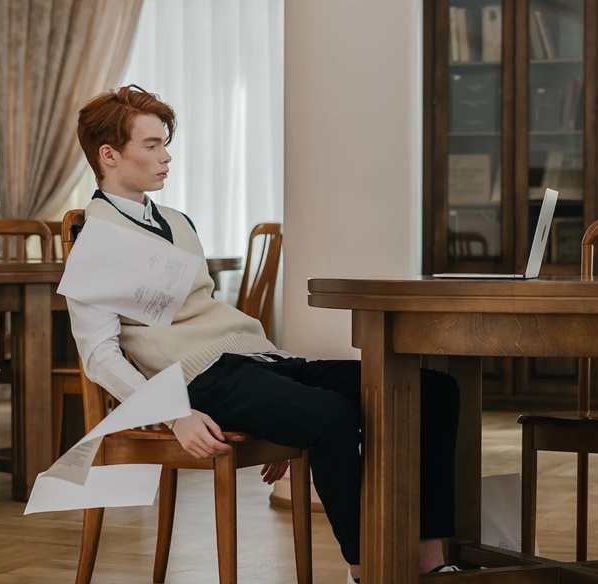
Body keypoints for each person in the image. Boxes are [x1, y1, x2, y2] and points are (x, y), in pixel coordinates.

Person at [67, 85, 463, 582]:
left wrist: (281, 405)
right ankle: (370, 573)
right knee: (333, 417)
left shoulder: (176, 221)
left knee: (432, 390)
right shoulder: (94, 242)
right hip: (197, 382)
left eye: (166, 143)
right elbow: (99, 356)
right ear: (109, 155)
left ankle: (433, 563)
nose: (166, 157)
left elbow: (210, 316)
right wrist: (175, 415)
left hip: (258, 362)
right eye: (151, 145)